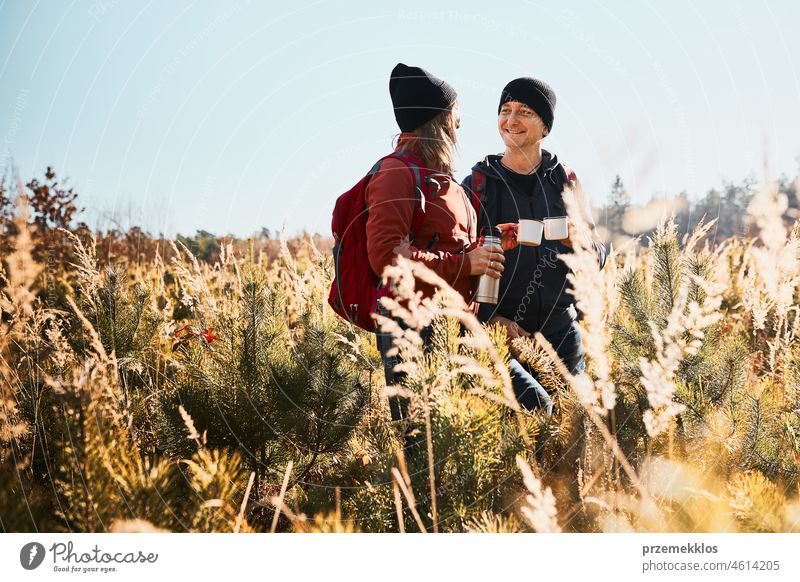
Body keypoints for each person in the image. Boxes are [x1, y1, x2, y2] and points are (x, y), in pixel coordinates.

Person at [367, 63, 504, 423]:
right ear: (438, 119)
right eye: (455, 113)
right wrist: (466, 264)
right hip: (415, 328)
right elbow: (386, 256)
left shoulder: (443, 180)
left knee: (471, 440)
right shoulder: (396, 172)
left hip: (459, 328)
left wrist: (487, 245)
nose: (460, 123)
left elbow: (448, 242)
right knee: (423, 447)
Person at [462, 77, 606, 415]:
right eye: (505, 111)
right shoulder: (477, 186)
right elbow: (461, 264)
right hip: (503, 330)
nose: (511, 121)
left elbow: (598, 252)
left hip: (561, 327)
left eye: (524, 112)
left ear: (545, 128)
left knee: (574, 424)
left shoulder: (565, 181)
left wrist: (582, 244)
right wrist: (491, 319)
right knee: (526, 422)